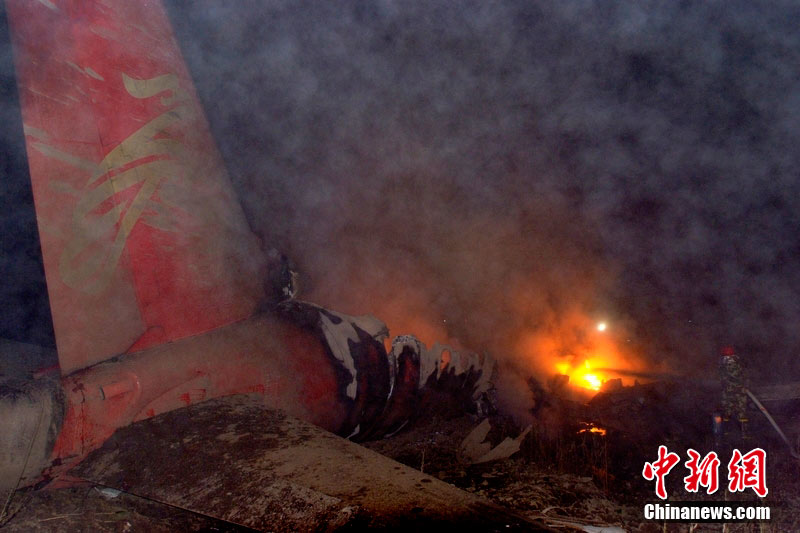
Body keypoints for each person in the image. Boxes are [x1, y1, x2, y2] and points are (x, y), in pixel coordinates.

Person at [719, 345, 748, 439]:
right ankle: (737, 433)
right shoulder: (732, 364)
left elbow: (731, 377)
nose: (728, 359)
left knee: (733, 412)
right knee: (736, 412)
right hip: (735, 392)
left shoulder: (726, 365)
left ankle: (739, 433)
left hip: (733, 392)